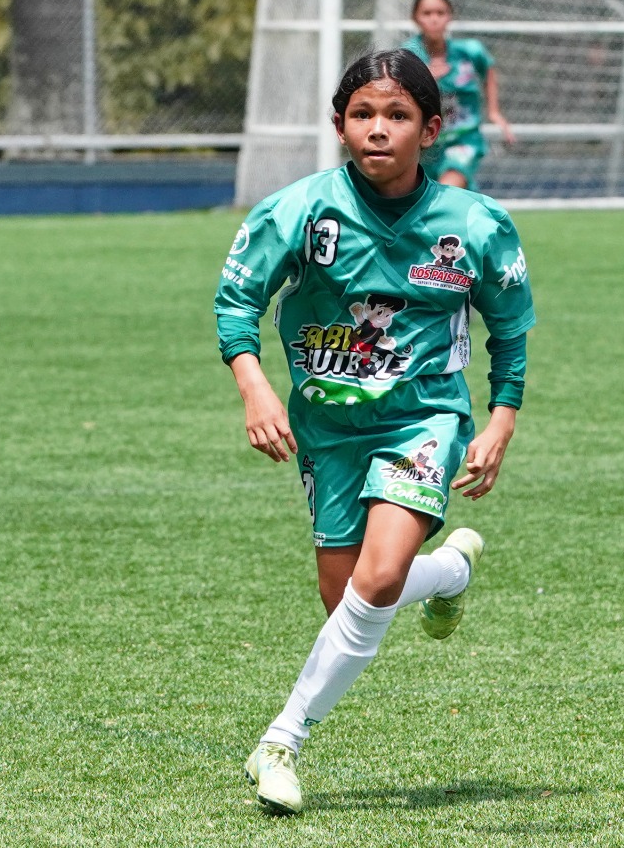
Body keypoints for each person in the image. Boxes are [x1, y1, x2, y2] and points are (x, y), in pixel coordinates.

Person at [216, 48, 536, 814]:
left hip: (425, 419)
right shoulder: (299, 212)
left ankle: (281, 741)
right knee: (349, 600)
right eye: (363, 114)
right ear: (340, 126)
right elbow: (236, 302)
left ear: (431, 129)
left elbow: (510, 329)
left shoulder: (475, 224)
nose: (378, 129)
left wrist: (500, 419)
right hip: (327, 428)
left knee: (380, 576)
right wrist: (255, 388)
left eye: (397, 115)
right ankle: (449, 573)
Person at [402, 0, 517, 190]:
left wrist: (494, 112)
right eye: (427, 13)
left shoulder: (469, 51)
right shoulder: (408, 56)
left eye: (440, 13)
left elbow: (488, 68)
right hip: (425, 143)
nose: (434, 19)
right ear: (415, 18)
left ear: (450, 16)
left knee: (449, 187)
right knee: (432, 196)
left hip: (464, 138)